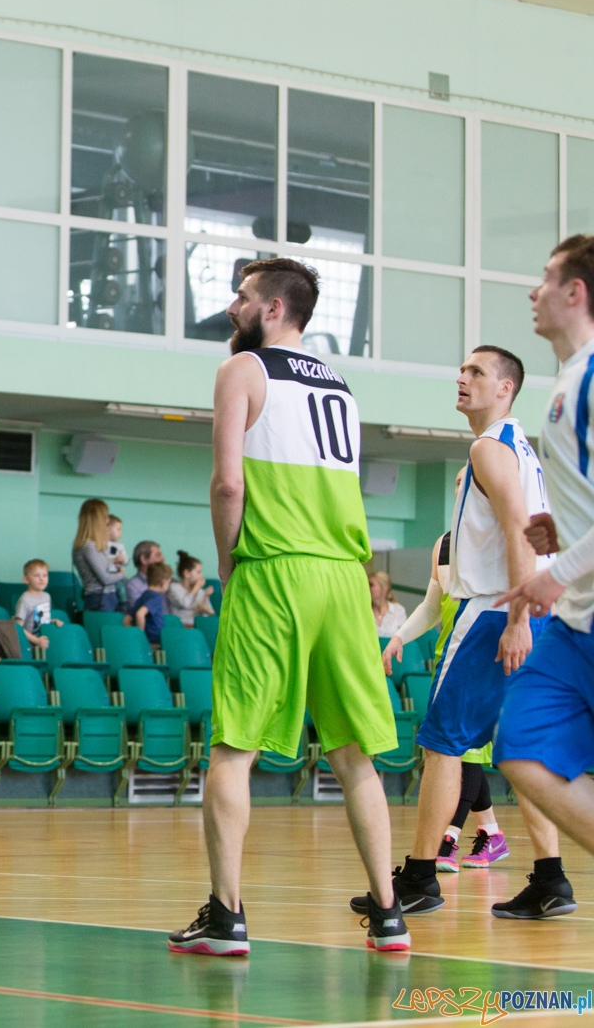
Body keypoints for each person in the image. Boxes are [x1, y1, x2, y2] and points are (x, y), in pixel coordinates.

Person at [170, 258, 408, 956]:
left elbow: (225, 483)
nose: (231, 305)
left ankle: (226, 914)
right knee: (354, 751)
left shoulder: (241, 372)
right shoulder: (341, 385)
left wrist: (225, 558)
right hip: (344, 577)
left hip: (274, 568)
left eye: (242, 295)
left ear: (273, 308)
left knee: (233, 746)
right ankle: (390, 912)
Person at [360, 346, 555, 918]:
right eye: (462, 369)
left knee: (443, 746)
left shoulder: (489, 447)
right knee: (524, 754)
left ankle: (420, 877)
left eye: (476, 373)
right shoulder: (524, 450)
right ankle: (550, 879)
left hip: (495, 611)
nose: (461, 378)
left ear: (506, 389)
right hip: (530, 610)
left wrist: (515, 618)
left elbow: (522, 534)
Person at [491, 234, 594, 921]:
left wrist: (557, 568)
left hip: (573, 596)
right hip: (576, 618)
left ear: (576, 291)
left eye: (545, 278)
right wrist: (564, 527)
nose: (534, 291)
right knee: (520, 749)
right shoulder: (565, 383)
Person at [72, 499, 125, 611]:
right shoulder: (88, 546)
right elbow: (105, 579)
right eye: (105, 516)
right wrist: (122, 574)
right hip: (100, 599)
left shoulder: (91, 544)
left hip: (104, 597)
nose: (108, 520)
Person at [12, 559, 61, 646]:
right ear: (26, 579)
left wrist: (51, 621)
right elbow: (18, 627)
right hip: (29, 644)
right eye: (36, 575)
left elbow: (40, 620)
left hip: (44, 641)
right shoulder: (25, 600)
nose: (41, 579)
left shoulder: (47, 596)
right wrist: (35, 640)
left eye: (45, 575)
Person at [126, 561, 173, 646]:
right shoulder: (157, 597)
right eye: (168, 582)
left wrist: (133, 637)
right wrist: (140, 637)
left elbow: (127, 619)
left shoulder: (143, 596)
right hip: (155, 640)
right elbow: (140, 614)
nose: (168, 586)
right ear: (162, 582)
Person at [167, 551, 216, 627]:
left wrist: (206, 596)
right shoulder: (174, 587)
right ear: (187, 573)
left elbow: (207, 614)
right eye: (198, 572)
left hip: (198, 627)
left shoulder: (200, 591)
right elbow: (185, 604)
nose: (201, 576)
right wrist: (196, 588)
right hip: (181, 626)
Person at [123, 540, 165, 609]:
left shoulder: (169, 581)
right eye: (158, 555)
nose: (162, 559)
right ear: (144, 560)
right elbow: (140, 614)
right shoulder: (132, 586)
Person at [369, 571, 408, 636]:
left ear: (383, 588)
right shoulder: (364, 611)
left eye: (371, 585)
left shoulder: (398, 611)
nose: (367, 588)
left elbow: (405, 637)